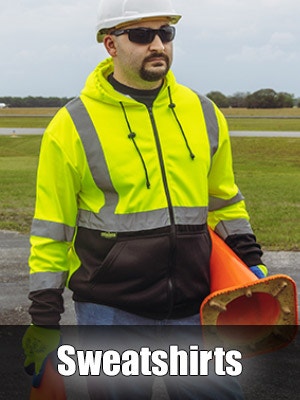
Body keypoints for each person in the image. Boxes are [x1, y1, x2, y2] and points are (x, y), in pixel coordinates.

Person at [23, 0, 268, 398]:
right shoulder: (72, 125)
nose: (158, 44)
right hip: (111, 311)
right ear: (111, 45)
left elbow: (224, 201)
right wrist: (45, 318)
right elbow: (52, 228)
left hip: (195, 305)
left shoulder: (203, 112)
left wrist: (251, 262)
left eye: (165, 33)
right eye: (141, 34)